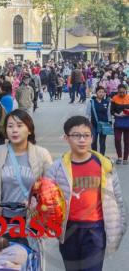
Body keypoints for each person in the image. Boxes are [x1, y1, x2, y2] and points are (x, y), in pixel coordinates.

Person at [46, 116, 126, 271]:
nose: (82, 140)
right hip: (68, 230)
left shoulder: (104, 164)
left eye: (86, 135)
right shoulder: (57, 168)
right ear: (66, 138)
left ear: (92, 137)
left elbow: (117, 198)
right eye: (76, 135)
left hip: (95, 230)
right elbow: (46, 198)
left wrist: (119, 226)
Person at [0, 109, 52, 246]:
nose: (14, 130)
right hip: (1, 219)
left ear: (29, 130)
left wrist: (35, 202)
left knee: (28, 260)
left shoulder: (42, 155)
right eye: (10, 126)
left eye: (19, 126)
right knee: (1, 261)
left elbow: (50, 189)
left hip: (31, 220)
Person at [85, 86, 111, 155]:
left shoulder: (107, 102)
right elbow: (88, 114)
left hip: (104, 125)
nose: (101, 94)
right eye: (100, 92)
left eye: (103, 92)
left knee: (102, 142)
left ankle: (102, 156)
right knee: (93, 141)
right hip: (93, 125)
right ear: (96, 93)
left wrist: (110, 122)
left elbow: (108, 113)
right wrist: (87, 124)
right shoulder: (91, 102)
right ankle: (95, 156)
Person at [111, 84, 129, 165]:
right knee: (117, 139)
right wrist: (117, 115)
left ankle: (125, 158)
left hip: (127, 122)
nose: (121, 94)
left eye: (123, 92)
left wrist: (127, 112)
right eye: (119, 92)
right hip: (118, 122)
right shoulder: (114, 98)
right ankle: (119, 157)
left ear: (126, 90)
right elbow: (112, 111)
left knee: (127, 141)